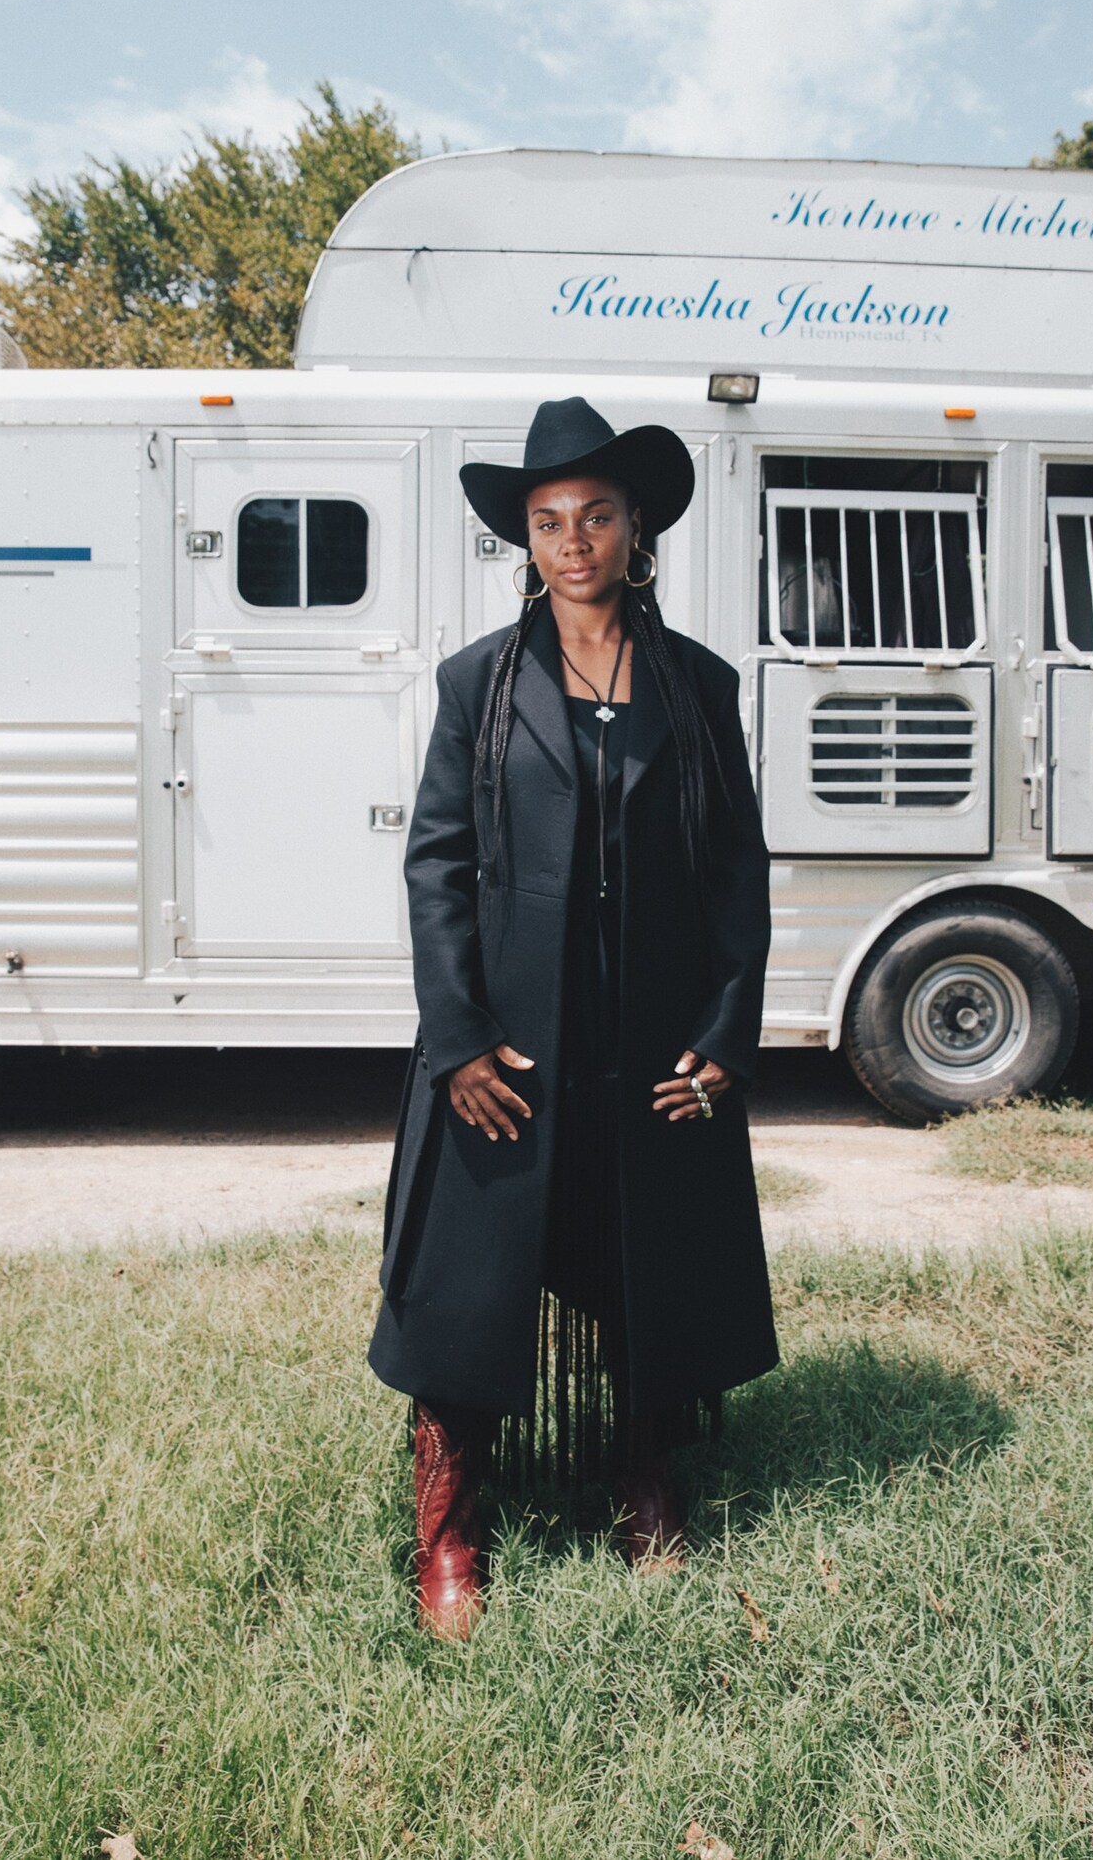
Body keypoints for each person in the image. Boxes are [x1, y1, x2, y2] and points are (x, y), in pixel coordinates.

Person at [367, 395, 779, 1637]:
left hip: (647, 1036)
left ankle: (642, 1475)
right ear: (525, 540)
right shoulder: (478, 684)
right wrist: (455, 1040)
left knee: (644, 1255)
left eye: (595, 515)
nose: (572, 541)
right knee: (466, 1276)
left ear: (633, 525)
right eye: (548, 521)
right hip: (510, 1039)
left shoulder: (696, 684)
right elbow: (437, 865)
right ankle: (452, 1526)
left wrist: (726, 1031)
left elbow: (737, 873)